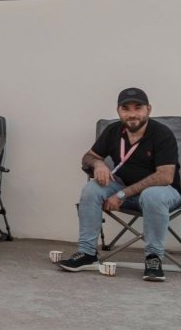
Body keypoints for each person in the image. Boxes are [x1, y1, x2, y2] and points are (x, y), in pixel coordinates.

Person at [57, 88, 181, 281]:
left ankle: (153, 257)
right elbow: (88, 156)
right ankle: (87, 253)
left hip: (164, 193)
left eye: (138, 108)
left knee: (152, 195)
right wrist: (98, 164)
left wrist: (121, 195)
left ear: (148, 109)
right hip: (123, 188)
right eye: (126, 108)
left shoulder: (161, 134)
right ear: (118, 111)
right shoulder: (114, 131)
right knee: (92, 189)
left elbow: (165, 176)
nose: (132, 114)